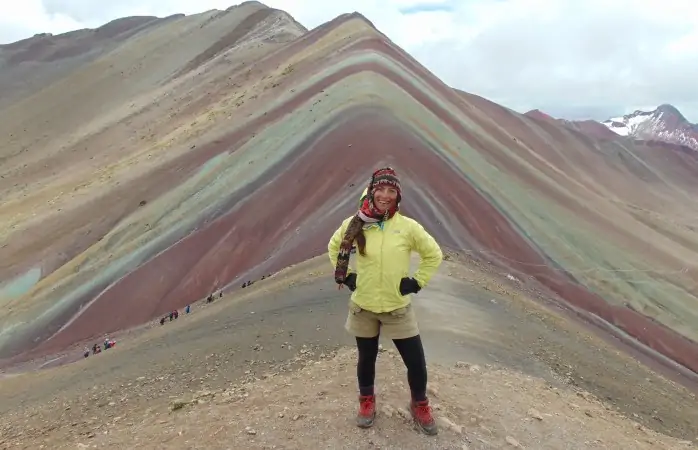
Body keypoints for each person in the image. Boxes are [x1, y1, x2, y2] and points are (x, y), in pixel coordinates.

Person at [328, 167, 443, 435]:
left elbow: (433, 254)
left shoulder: (407, 227)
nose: (385, 195)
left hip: (396, 306)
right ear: (371, 190)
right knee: (366, 358)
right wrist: (346, 277)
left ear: (398, 196)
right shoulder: (355, 224)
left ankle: (420, 404)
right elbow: (335, 247)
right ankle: (366, 402)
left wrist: (417, 281)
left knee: (416, 361)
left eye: (391, 191)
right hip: (364, 305)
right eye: (381, 189)